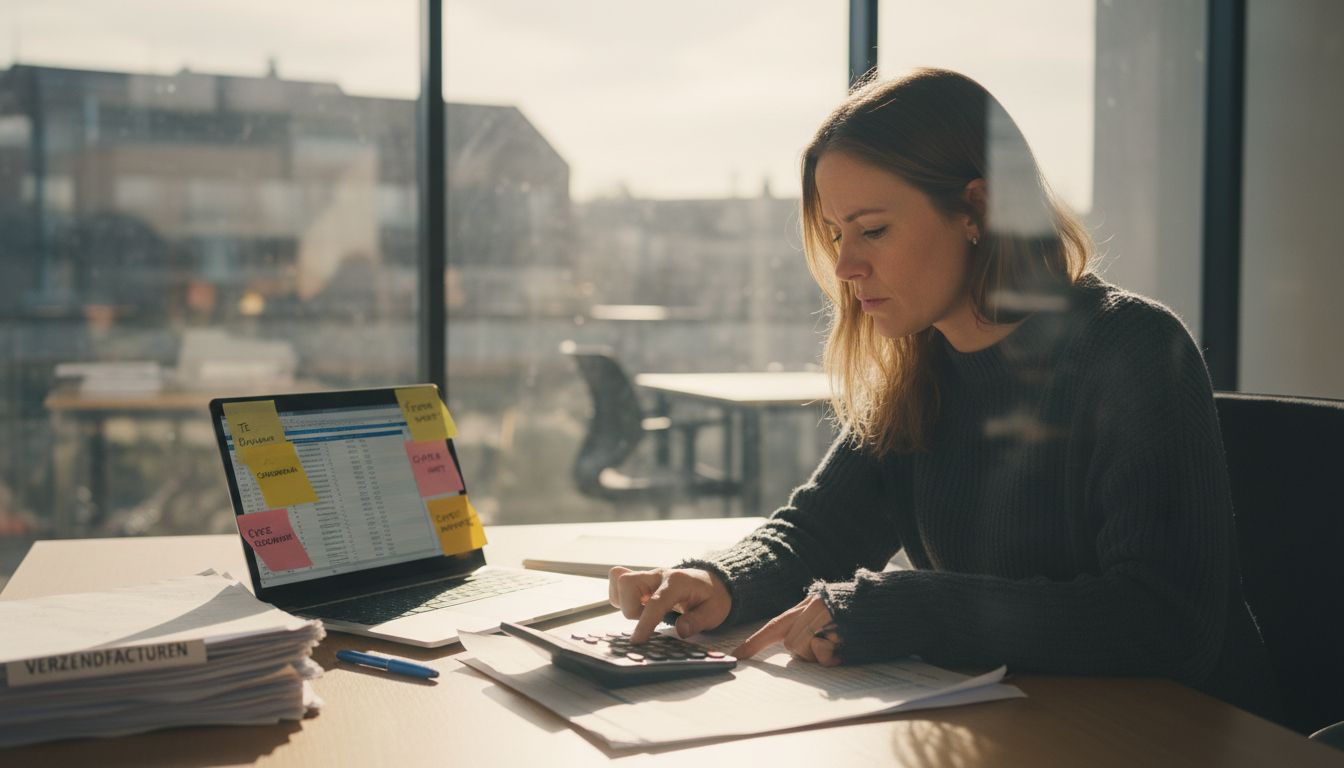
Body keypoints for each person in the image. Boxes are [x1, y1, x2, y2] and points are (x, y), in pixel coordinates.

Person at [608, 68, 1278, 718]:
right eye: (838, 235)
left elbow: (1164, 620)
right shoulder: (922, 367)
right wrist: (717, 582)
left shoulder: (1133, 350)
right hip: (1024, 725)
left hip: (1185, 735)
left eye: (872, 230)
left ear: (975, 209)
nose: (845, 266)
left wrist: (911, 606)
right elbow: (819, 532)